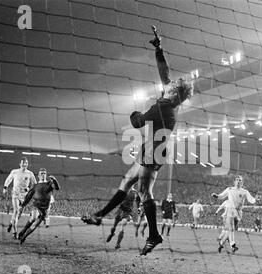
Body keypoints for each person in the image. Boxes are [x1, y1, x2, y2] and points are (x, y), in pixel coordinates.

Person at [81, 25, 193, 256]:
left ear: (174, 93)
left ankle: (154, 234)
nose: (168, 83)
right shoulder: (170, 101)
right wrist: (159, 48)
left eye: (171, 85)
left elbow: (138, 122)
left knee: (143, 191)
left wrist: (133, 114)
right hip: (154, 147)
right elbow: (165, 73)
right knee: (127, 180)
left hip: (155, 150)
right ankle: (99, 216)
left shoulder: (163, 106)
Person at [212, 175, 256, 253]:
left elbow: (251, 199)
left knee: (230, 230)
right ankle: (233, 245)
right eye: (237, 180)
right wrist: (216, 196)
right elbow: (222, 196)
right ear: (234, 182)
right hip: (230, 211)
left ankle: (221, 243)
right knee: (231, 228)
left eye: (240, 180)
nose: (238, 181)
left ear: (242, 183)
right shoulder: (229, 189)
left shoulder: (245, 192)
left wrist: (255, 200)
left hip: (238, 213)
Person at [18, 169, 60, 244]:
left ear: (46, 175)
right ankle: (23, 230)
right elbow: (29, 196)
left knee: (35, 225)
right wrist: (23, 205)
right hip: (36, 205)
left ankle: (24, 237)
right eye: (42, 173)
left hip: (44, 208)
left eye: (44, 173)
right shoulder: (35, 186)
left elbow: (57, 188)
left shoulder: (49, 184)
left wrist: (54, 180)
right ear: (39, 175)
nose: (43, 174)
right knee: (33, 218)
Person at [3, 157, 36, 239]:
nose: (25, 164)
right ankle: (14, 232)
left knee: (19, 214)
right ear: (20, 164)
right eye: (23, 163)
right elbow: (8, 179)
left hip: (25, 196)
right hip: (15, 194)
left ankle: (11, 223)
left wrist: (28, 189)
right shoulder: (15, 172)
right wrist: (5, 187)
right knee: (16, 210)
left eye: (26, 163)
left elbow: (34, 184)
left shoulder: (30, 174)